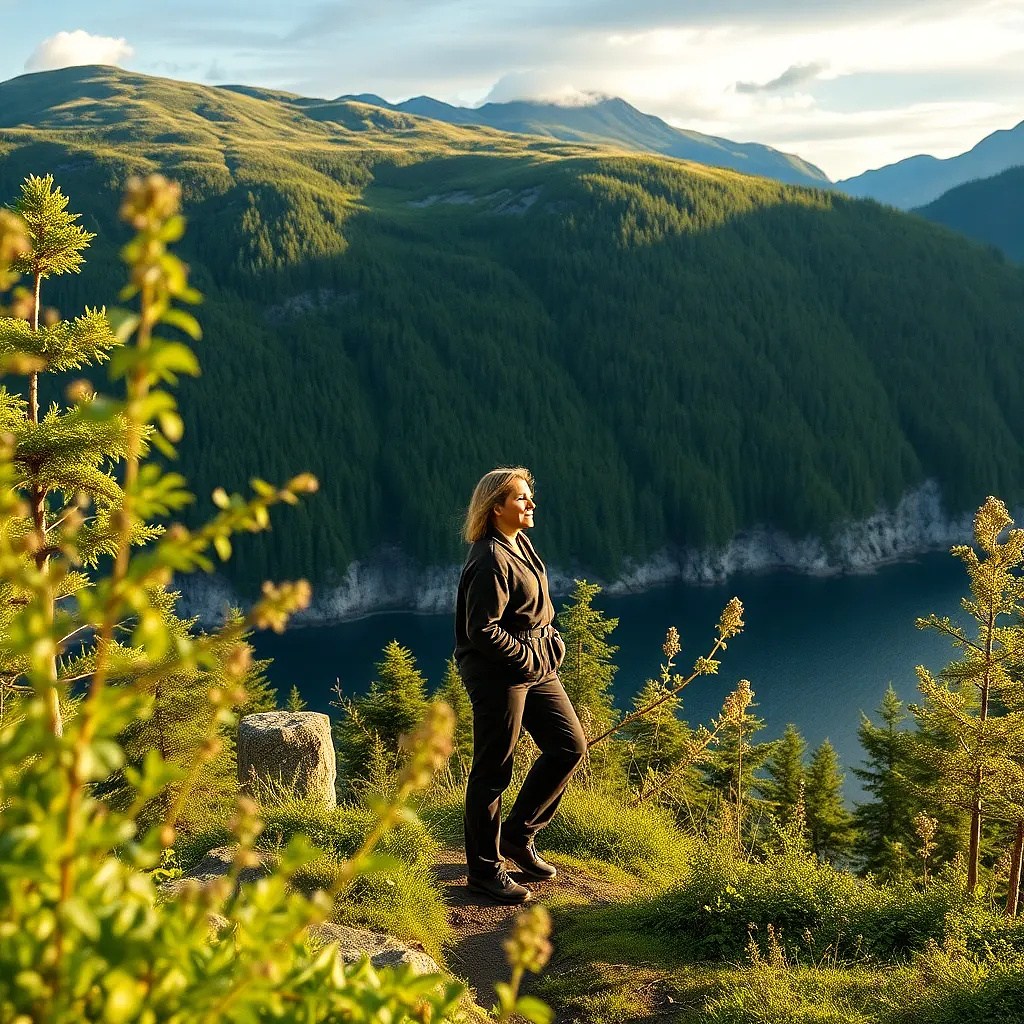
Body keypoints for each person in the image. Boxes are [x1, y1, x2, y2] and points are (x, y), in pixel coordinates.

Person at [453, 467, 588, 903]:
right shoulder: (490, 558)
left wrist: (552, 639)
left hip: (534, 667)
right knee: (494, 770)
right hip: (498, 675)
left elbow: (533, 609)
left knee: (570, 746)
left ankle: (517, 835)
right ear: (497, 508)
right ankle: (484, 872)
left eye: (529, 497)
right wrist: (531, 656)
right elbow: (482, 630)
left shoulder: (520, 544)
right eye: (522, 499)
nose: (531, 504)